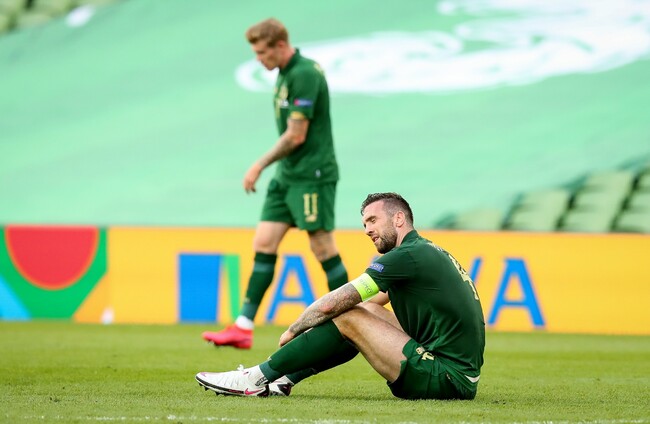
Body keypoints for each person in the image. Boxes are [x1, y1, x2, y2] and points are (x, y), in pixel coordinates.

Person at [196, 192, 486, 400]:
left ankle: (255, 378)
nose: (367, 230)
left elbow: (337, 303)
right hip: (455, 374)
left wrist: (294, 330)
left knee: (349, 314)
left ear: (399, 218)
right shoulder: (422, 252)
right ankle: (283, 378)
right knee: (360, 314)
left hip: (445, 377)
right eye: (364, 224)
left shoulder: (406, 255)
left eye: (373, 220)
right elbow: (368, 308)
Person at [202, 18, 348, 349]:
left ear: (280, 46)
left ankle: (358, 319)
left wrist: (258, 165)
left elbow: (296, 135)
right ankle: (242, 327)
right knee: (264, 242)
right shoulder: (284, 72)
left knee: (322, 248)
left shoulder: (304, 73)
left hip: (312, 175)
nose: (258, 59)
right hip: (288, 175)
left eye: (261, 53)